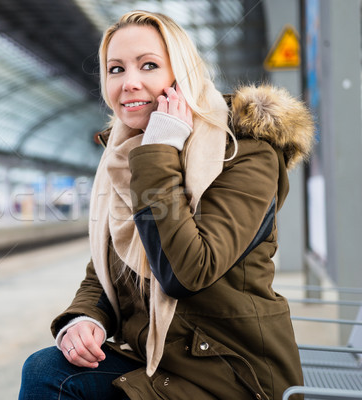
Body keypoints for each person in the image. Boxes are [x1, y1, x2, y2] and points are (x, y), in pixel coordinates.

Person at [19, 10, 314, 400]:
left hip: (230, 370)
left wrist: (159, 150)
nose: (129, 83)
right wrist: (83, 318)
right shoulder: (124, 156)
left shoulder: (246, 154)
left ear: (183, 74)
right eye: (116, 69)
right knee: (46, 369)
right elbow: (106, 267)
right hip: (154, 358)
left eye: (149, 66)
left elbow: (187, 272)